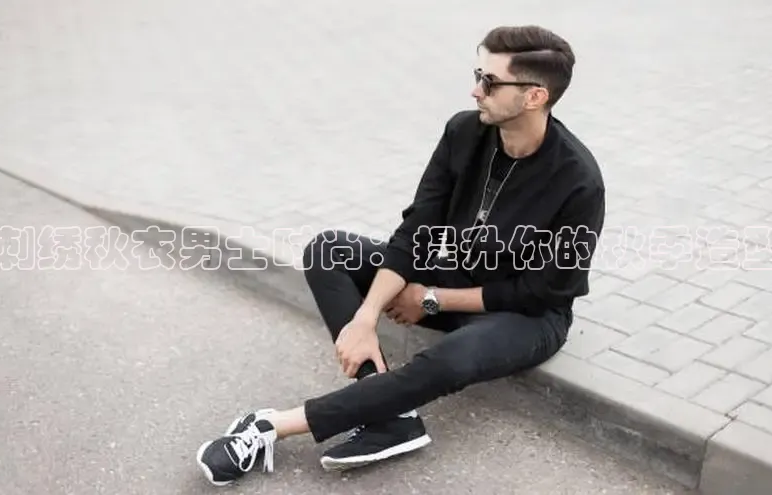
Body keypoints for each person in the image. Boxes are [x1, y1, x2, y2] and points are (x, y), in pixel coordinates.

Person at [195, 24, 605, 486]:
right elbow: (418, 228)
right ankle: (391, 418)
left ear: (534, 96)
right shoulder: (464, 132)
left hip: (527, 316)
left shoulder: (579, 181)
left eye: (490, 82)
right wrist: (366, 316)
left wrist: (431, 299)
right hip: (455, 274)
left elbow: (545, 290)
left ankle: (271, 425)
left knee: (455, 357)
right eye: (477, 74)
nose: (475, 90)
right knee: (329, 251)